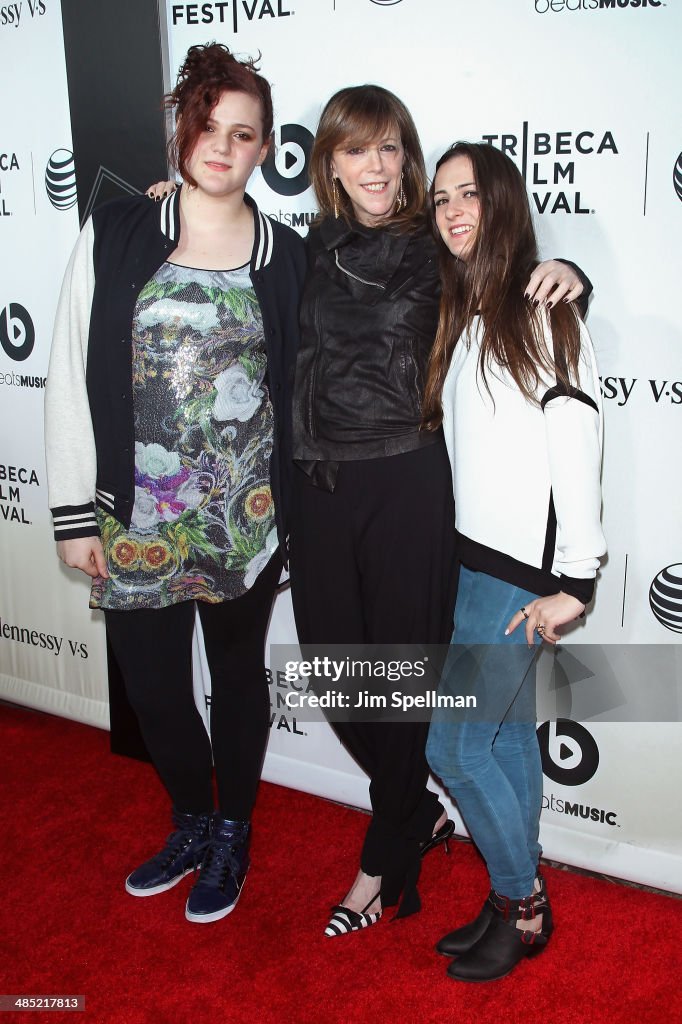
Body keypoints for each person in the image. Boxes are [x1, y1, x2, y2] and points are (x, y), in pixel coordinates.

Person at [288, 86, 591, 936]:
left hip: (408, 482)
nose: (376, 167)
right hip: (318, 487)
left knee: (405, 687)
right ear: (331, 164)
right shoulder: (305, 248)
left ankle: (381, 864)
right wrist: (174, 202)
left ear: (406, 159)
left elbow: (511, 277)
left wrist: (576, 274)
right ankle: (415, 818)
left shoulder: (436, 249)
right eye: (357, 150)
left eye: (390, 149)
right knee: (340, 678)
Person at [44, 43, 306, 924]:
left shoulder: (289, 257)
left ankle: (233, 829)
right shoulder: (119, 230)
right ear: (182, 129)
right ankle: (191, 816)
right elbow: (67, 376)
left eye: (243, 134)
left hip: (245, 524)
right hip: (134, 519)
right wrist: (75, 515)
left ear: (265, 149)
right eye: (208, 126)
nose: (221, 147)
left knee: (237, 682)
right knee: (155, 689)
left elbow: (304, 395)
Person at [423, 141, 606, 980]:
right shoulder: (469, 313)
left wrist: (576, 581)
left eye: (470, 194)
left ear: (503, 203)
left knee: (454, 748)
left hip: (519, 577)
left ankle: (522, 904)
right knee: (501, 740)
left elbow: (578, 437)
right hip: (475, 564)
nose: (454, 210)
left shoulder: (543, 308)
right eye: (441, 200)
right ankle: (514, 895)